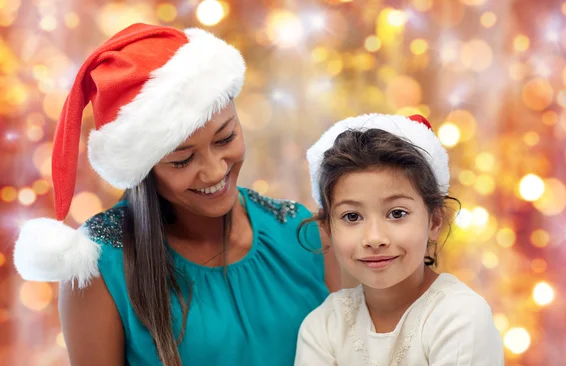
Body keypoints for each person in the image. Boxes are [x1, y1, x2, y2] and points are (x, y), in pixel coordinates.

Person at [13, 23, 340, 366]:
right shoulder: (97, 268)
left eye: (225, 138)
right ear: (144, 169)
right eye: (182, 160)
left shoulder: (303, 234)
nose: (214, 171)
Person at [295, 114, 504, 365]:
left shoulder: (460, 316)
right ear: (328, 228)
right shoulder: (324, 326)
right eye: (352, 216)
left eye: (397, 213)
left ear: (435, 221)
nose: (374, 238)